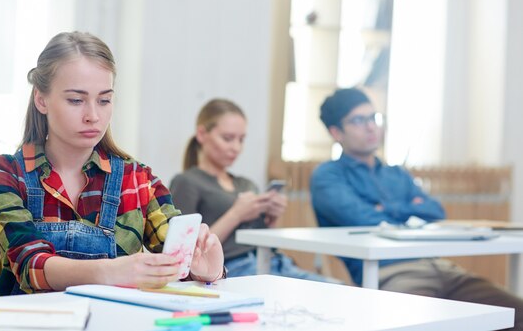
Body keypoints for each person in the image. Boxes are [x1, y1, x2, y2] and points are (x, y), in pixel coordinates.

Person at [0, 32, 224, 296]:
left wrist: (204, 268)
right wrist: (110, 272)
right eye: (76, 100)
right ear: (41, 100)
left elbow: (175, 261)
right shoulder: (5, 173)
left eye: (104, 100)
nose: (93, 116)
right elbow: (29, 265)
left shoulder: (137, 179)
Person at [311, 87, 523, 330]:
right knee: (414, 322)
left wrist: (386, 209)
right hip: (390, 271)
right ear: (336, 132)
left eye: (373, 118)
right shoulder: (328, 176)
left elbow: (435, 211)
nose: (371, 127)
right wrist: (408, 210)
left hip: (439, 265)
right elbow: (363, 218)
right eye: (358, 120)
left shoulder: (396, 174)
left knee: (515, 313)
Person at [170, 98, 337, 282]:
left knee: (339, 288)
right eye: (227, 138)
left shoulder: (246, 184)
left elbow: (262, 239)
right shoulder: (187, 182)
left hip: (273, 262)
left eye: (241, 139)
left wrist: (272, 218)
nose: (236, 147)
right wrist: (236, 214)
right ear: (202, 134)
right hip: (234, 268)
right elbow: (185, 253)